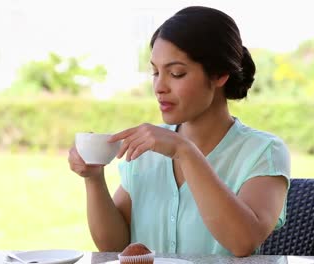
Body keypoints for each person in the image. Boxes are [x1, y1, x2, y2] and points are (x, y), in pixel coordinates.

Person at [68, 6, 290, 257]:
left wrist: (184, 151)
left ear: (219, 75)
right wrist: (94, 179)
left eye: (176, 73)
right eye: (155, 72)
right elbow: (115, 247)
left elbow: (242, 242)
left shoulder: (263, 152)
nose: (159, 86)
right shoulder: (146, 150)